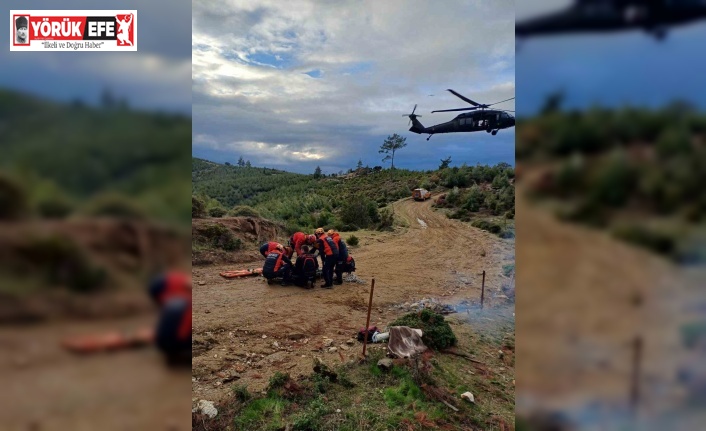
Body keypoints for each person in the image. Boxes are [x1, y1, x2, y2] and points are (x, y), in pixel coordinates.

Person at [148, 271, 191, 365]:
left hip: (166, 344)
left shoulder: (172, 301)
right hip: (174, 343)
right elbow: (183, 332)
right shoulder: (184, 303)